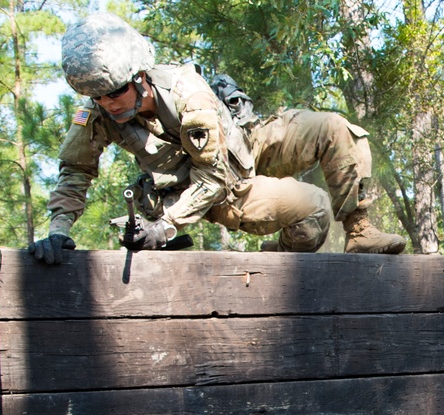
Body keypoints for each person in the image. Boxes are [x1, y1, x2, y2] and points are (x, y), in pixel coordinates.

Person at [28, 12, 406, 265]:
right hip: (217, 189)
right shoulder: (98, 113)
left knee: (335, 128)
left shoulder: (185, 94)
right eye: (97, 97)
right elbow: (75, 171)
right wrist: (58, 232)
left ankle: (360, 232)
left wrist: (165, 226)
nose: (106, 103)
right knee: (314, 207)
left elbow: (217, 164)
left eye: (114, 93)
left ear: (139, 77)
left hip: (243, 143)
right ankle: (283, 259)